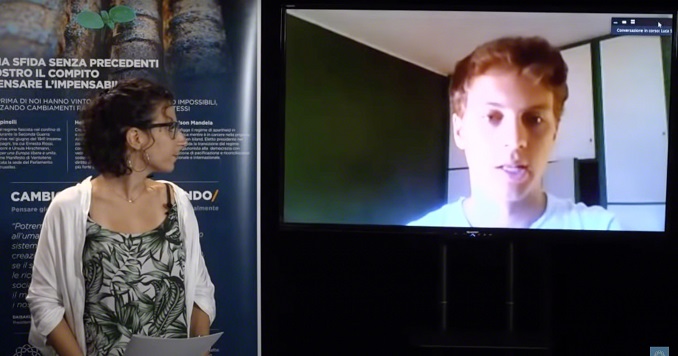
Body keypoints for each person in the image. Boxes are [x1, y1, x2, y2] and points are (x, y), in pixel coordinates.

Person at [27, 78, 216, 355]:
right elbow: (44, 300)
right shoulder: (68, 207)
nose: (182, 139)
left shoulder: (178, 200)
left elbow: (200, 288)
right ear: (136, 137)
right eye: (170, 127)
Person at [408, 36, 621, 230]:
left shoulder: (601, 228)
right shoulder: (415, 239)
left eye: (535, 119)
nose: (515, 140)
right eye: (492, 117)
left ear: (554, 131)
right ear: (459, 131)